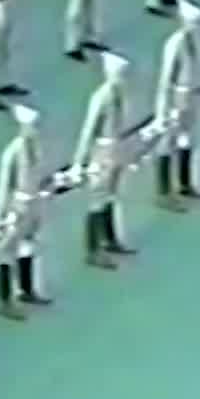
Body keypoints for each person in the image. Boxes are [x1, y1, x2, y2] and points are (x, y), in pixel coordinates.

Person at [0, 105, 55, 319]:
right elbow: (3, 188)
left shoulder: (35, 148)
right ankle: (4, 299)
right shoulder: (13, 154)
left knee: (28, 245)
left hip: (33, 202)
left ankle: (27, 289)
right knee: (5, 251)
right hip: (18, 206)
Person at [75, 52, 138, 268]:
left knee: (112, 195)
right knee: (97, 199)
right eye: (120, 74)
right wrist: (79, 162)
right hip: (103, 150)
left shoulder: (120, 93)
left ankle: (110, 238)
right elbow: (88, 131)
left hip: (117, 146)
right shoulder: (101, 98)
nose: (123, 78)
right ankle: (93, 248)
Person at [154, 0, 200, 210]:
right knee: (167, 143)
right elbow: (166, 80)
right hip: (175, 98)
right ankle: (164, 191)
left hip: (189, 95)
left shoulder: (193, 41)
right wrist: (163, 111)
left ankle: (185, 183)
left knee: (187, 139)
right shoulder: (175, 45)